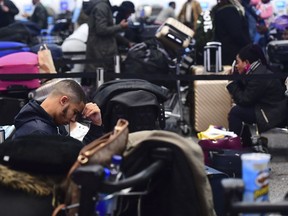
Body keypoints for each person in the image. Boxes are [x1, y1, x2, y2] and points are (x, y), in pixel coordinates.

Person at [226, 44, 287, 146]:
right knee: (240, 110)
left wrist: (232, 83)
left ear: (246, 63)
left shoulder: (258, 76)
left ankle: (233, 146)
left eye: (238, 62)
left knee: (236, 112)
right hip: (268, 109)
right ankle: (246, 143)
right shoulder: (258, 71)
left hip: (271, 114)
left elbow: (244, 99)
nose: (236, 66)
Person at [13, 79, 103, 145]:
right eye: (74, 112)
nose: (73, 119)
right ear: (63, 100)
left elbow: (74, 155)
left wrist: (96, 125)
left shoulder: (51, 125)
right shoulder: (39, 133)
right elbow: (71, 162)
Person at [85, 0, 128, 81]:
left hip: (98, 50)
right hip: (103, 51)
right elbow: (101, 29)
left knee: (99, 82)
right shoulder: (102, 7)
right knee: (103, 81)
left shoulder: (99, 5)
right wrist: (120, 26)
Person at [212, 0, 251, 65]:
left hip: (225, 53)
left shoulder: (219, 9)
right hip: (233, 55)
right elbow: (237, 34)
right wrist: (248, 44)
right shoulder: (229, 10)